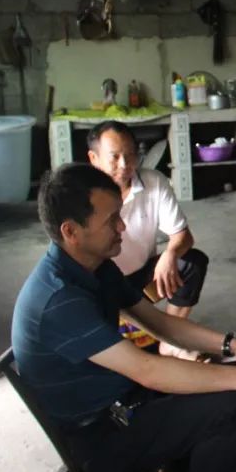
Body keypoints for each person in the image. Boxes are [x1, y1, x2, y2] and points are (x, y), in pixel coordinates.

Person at [12, 164, 236, 472]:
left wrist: (232, 345)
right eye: (111, 221)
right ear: (71, 231)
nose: (122, 226)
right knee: (233, 403)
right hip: (100, 437)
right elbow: (147, 369)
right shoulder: (59, 299)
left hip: (123, 403)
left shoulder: (95, 266)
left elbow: (159, 323)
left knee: (224, 378)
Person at [87, 121, 208, 357]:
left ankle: (170, 339)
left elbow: (182, 235)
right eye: (115, 157)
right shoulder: (82, 193)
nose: (125, 165)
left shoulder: (154, 182)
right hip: (101, 285)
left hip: (143, 283)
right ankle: (122, 329)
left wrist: (170, 254)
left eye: (130, 155)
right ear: (94, 158)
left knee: (192, 262)